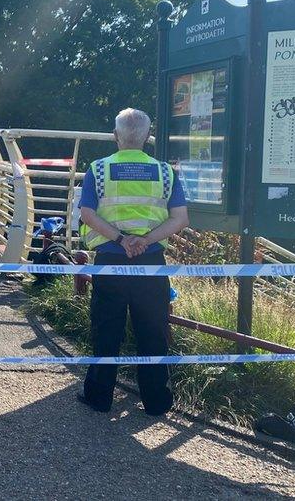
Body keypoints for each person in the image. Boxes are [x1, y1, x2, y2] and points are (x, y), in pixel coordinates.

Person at [76, 108, 189, 416]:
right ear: (148, 138)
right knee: (152, 330)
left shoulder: (98, 170)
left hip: (111, 259)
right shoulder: (166, 172)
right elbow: (180, 218)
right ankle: (156, 401)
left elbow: (88, 214)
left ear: (116, 136)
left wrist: (120, 240)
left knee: (106, 329)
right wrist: (145, 241)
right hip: (151, 261)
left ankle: (99, 397)